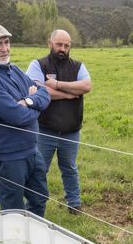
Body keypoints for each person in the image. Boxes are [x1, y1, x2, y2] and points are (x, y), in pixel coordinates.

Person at [0, 23, 51, 216]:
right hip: (8, 156)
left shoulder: (13, 70)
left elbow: (45, 93)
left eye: (6, 42)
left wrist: (28, 101)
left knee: (39, 199)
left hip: (32, 150)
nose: (5, 48)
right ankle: (15, 242)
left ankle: (32, 238)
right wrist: (34, 106)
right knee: (13, 210)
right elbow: (18, 116)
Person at [26, 29, 92, 214]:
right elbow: (37, 91)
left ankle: (74, 203)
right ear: (50, 43)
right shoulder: (38, 65)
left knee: (69, 168)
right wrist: (70, 93)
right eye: (59, 44)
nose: (62, 49)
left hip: (71, 130)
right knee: (39, 169)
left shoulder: (78, 66)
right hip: (44, 130)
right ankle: (34, 205)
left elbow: (86, 86)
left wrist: (57, 85)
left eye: (66, 45)